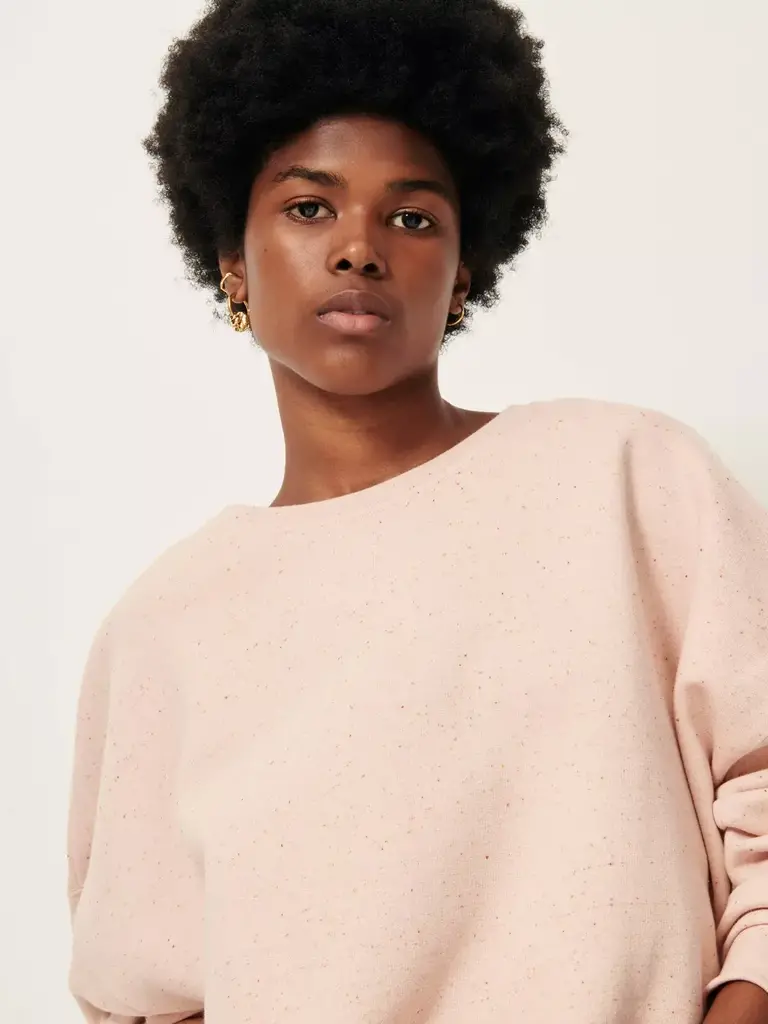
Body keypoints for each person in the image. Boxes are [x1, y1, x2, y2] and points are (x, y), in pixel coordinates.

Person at [66, 1, 768, 1022]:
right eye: (310, 207)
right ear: (232, 261)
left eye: (412, 217)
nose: (359, 248)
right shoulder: (161, 628)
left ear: (463, 271)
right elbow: (142, 989)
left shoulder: (625, 478)